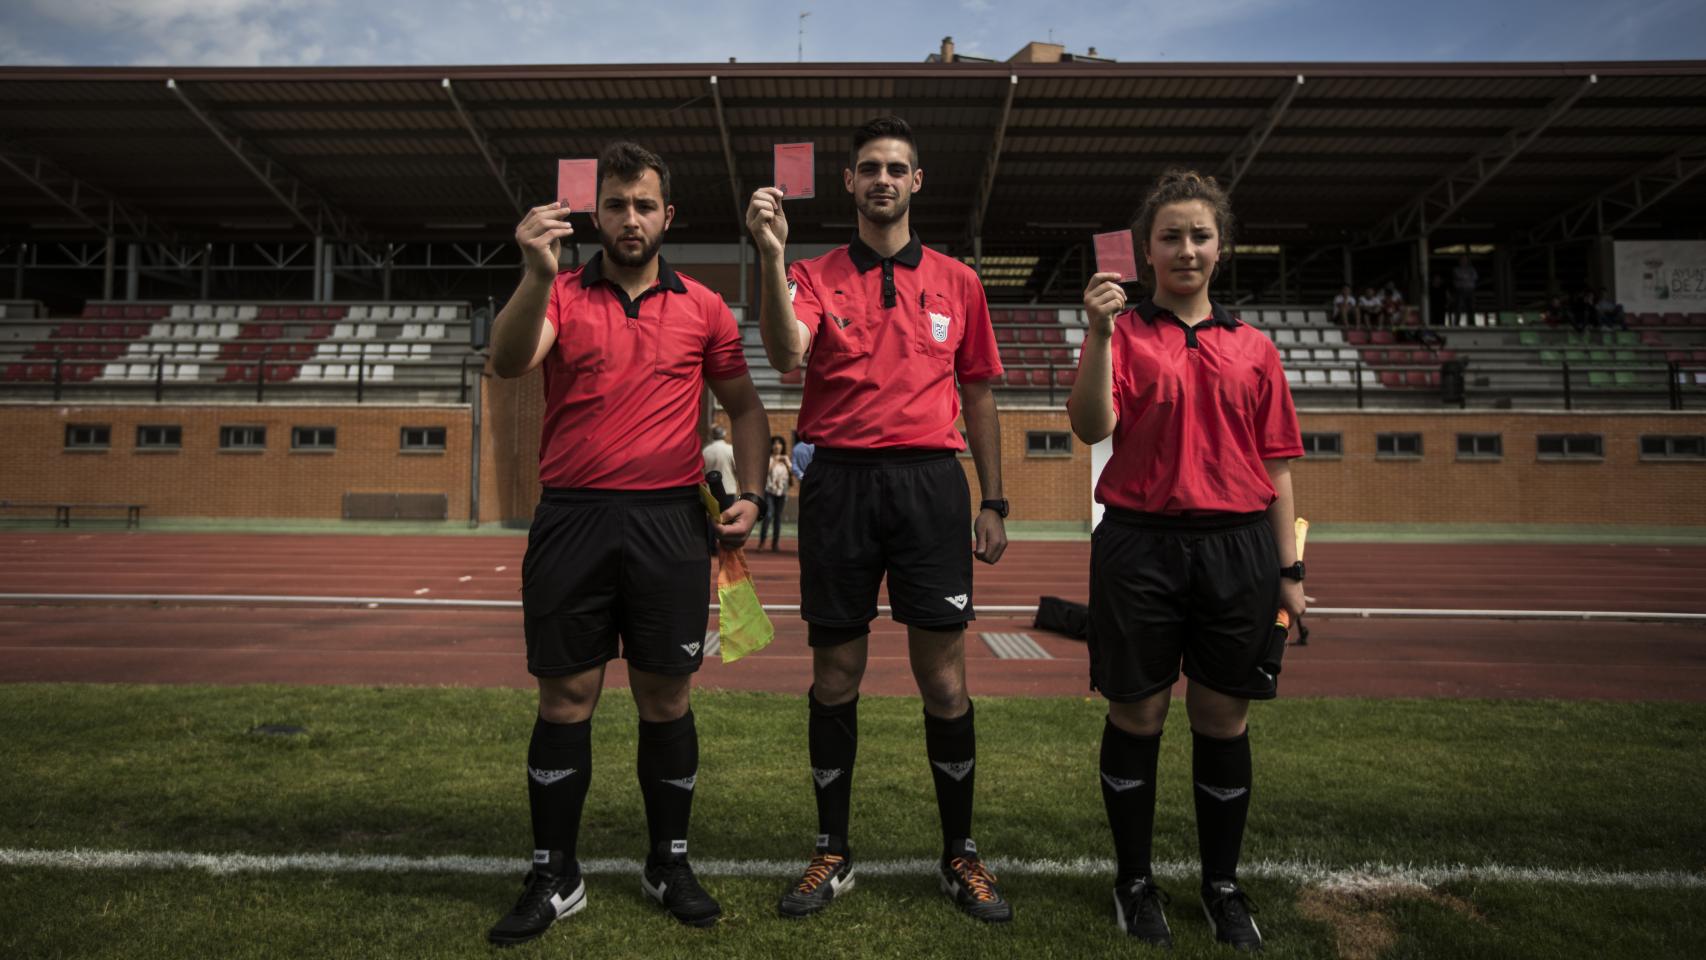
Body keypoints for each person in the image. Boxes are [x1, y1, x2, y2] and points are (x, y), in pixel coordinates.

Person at [483, 141, 771, 947]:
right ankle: (555, 872)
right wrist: (536, 271)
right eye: (616, 205)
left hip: (669, 527)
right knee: (565, 700)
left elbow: (746, 408)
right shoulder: (563, 295)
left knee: (666, 700)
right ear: (595, 212)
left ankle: (668, 860)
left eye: (644, 205)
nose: (631, 219)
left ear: (667, 215)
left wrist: (749, 494)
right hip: (572, 518)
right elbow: (506, 362)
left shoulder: (706, 307)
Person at [746, 115, 1013, 924]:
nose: (883, 179)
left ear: (916, 181)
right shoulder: (815, 273)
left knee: (944, 679)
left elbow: (979, 395)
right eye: (869, 168)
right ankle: (832, 849)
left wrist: (993, 499)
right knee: (835, 677)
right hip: (840, 487)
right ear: (852, 183)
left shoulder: (960, 281)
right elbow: (787, 353)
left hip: (932, 485)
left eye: (897, 167)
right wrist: (768, 253)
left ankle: (961, 854)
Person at [1067, 169, 1304, 952]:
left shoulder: (1255, 346)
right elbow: (1089, 423)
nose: (1187, 249)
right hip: (1138, 542)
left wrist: (1290, 573)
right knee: (1138, 712)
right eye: (1170, 236)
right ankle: (1133, 881)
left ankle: (1222, 885)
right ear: (1145, 251)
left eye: (1200, 235)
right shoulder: (1124, 334)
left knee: (1222, 717)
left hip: (1238, 550)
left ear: (1222, 246)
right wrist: (1099, 334)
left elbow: (1277, 467)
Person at [762, 434, 792, 551]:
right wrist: (775, 460)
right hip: (769, 491)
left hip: (782, 492)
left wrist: (786, 463)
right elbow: (766, 471)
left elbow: (791, 474)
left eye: (779, 443)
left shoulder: (785, 459)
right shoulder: (768, 458)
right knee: (768, 515)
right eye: (775, 443)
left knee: (778, 517)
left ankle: (775, 543)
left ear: (782, 446)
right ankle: (762, 541)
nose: (777, 446)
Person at [702, 425, 737, 492]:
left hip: (711, 490)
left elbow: (702, 471)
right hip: (728, 489)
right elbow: (737, 469)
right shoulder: (730, 449)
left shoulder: (706, 451)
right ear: (724, 434)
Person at [1451, 255, 1478, 327]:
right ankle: (1456, 323)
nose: (1463, 261)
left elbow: (1475, 277)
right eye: (1462, 260)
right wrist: (1467, 277)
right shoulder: (1456, 269)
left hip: (1470, 290)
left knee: (1471, 307)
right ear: (1459, 261)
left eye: (1465, 260)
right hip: (1460, 290)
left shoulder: (1472, 269)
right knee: (1458, 307)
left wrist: (1465, 277)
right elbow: (1458, 276)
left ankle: (1472, 323)